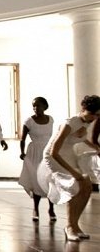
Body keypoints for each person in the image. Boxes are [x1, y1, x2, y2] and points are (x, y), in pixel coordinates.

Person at [37, 95, 100, 241]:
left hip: (68, 154)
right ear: (83, 109)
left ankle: (75, 225)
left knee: (87, 186)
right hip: (54, 156)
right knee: (75, 186)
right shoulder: (70, 123)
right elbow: (54, 151)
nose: (95, 118)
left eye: (97, 115)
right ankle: (70, 227)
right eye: (93, 114)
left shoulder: (86, 121)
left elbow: (81, 138)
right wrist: (73, 173)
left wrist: (96, 147)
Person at [18, 97, 55, 222]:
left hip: (47, 152)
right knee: (36, 181)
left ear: (44, 106)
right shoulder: (29, 121)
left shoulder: (50, 120)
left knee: (49, 180)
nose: (35, 108)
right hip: (34, 153)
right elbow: (22, 139)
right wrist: (22, 153)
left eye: (38, 106)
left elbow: (52, 137)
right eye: (33, 106)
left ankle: (51, 209)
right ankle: (36, 209)